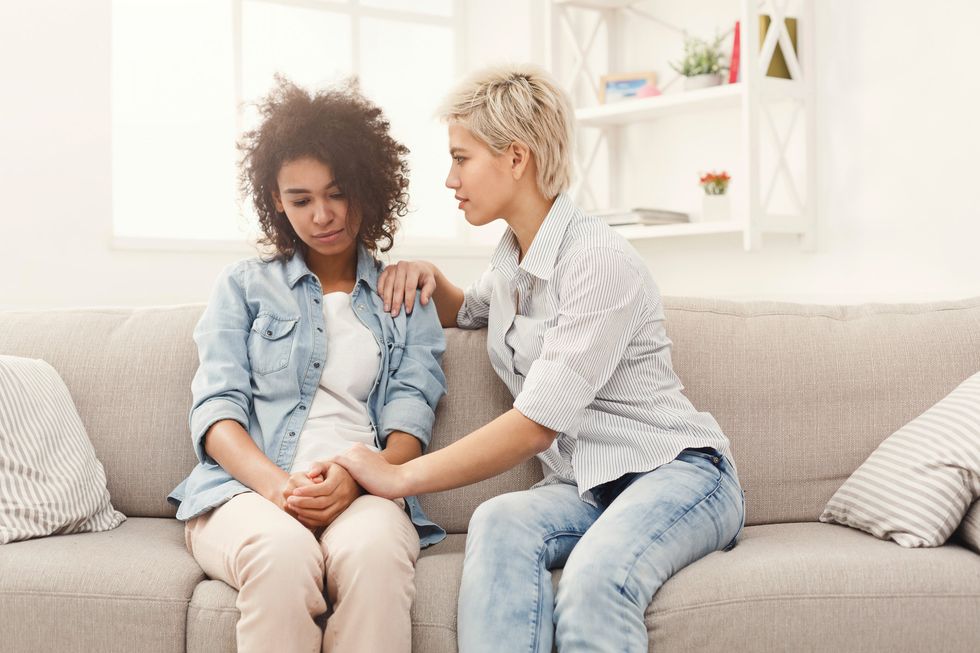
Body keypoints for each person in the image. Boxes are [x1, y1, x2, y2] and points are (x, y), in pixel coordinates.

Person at [310, 65, 746, 653]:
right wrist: (426, 276)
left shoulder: (597, 261)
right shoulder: (514, 261)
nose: (450, 179)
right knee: (497, 520)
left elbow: (537, 425)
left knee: (594, 581)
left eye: (461, 159)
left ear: (516, 158)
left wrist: (398, 476)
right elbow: (468, 310)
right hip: (586, 488)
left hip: (676, 474)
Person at [167, 78, 447, 653]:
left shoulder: (403, 295)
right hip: (247, 493)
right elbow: (217, 412)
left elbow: (410, 421)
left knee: (375, 557)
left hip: (365, 493)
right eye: (300, 200)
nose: (322, 215)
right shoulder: (243, 287)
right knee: (282, 554)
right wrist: (278, 489)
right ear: (276, 200)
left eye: (337, 193)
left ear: (366, 187)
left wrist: (358, 479)